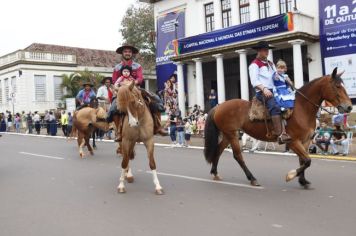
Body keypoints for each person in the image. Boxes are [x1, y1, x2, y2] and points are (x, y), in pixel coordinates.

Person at [108, 44, 167, 143]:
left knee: (155, 100)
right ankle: (119, 132)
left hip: (136, 89)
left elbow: (140, 78)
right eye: (125, 52)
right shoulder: (117, 67)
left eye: (129, 52)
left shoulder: (137, 66)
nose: (127, 53)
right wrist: (121, 86)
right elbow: (114, 80)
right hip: (122, 91)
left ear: (132, 54)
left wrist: (132, 83)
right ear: (122, 53)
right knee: (113, 108)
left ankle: (158, 126)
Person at [249, 41, 291, 144]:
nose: (267, 52)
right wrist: (264, 89)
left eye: (267, 50)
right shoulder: (254, 65)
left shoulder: (271, 64)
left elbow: (275, 77)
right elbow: (254, 81)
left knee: (290, 101)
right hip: (263, 92)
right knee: (275, 106)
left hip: (275, 90)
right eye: (264, 50)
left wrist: (285, 80)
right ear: (259, 51)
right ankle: (280, 134)